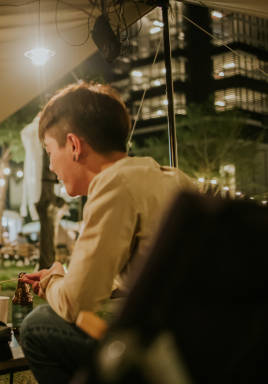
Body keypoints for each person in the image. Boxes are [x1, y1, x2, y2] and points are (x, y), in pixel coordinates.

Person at [18, 82, 195, 383]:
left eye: (50, 151)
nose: (51, 166)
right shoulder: (168, 176)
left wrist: (52, 282)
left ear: (74, 145)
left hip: (172, 356)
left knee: (37, 325)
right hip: (208, 340)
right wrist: (67, 277)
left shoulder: (114, 184)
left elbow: (77, 303)